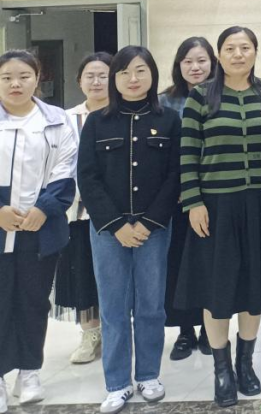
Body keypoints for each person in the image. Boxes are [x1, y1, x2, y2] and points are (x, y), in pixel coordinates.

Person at [175, 27, 261, 408]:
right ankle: (222, 370)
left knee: (252, 289)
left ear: (255, 52)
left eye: (245, 48)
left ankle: (246, 364)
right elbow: (188, 153)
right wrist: (194, 202)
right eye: (230, 48)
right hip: (215, 208)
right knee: (217, 289)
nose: (238, 54)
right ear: (219, 56)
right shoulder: (200, 96)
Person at [77, 47, 182, 413]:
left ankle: (149, 375)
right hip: (109, 231)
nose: (132, 79)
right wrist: (117, 225)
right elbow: (87, 178)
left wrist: (149, 222)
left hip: (154, 229)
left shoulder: (169, 120)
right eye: (124, 72)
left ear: (152, 75)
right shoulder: (97, 122)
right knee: (113, 308)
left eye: (140, 71)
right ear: (114, 79)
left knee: (151, 305)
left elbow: (175, 176)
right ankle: (117, 383)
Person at [0, 50, 78, 412]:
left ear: (37, 78)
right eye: (6, 78)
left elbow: (66, 170)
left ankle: (29, 372)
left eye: (23, 76)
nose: (15, 84)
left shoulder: (57, 121)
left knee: (33, 301)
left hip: (40, 228)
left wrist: (44, 209)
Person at [159, 38, 216, 360]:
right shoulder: (164, 102)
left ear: (212, 63)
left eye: (201, 60)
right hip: (175, 199)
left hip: (214, 196)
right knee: (178, 265)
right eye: (188, 62)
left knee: (209, 265)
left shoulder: (222, 96)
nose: (195, 67)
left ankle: (210, 329)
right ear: (178, 66)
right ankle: (184, 331)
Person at [59, 53, 112, 366]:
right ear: (79, 81)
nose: (96, 82)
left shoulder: (124, 114)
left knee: (115, 276)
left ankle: (116, 332)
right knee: (82, 273)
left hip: (118, 213)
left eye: (103, 75)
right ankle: (90, 334)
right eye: (90, 76)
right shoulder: (65, 119)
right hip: (77, 212)